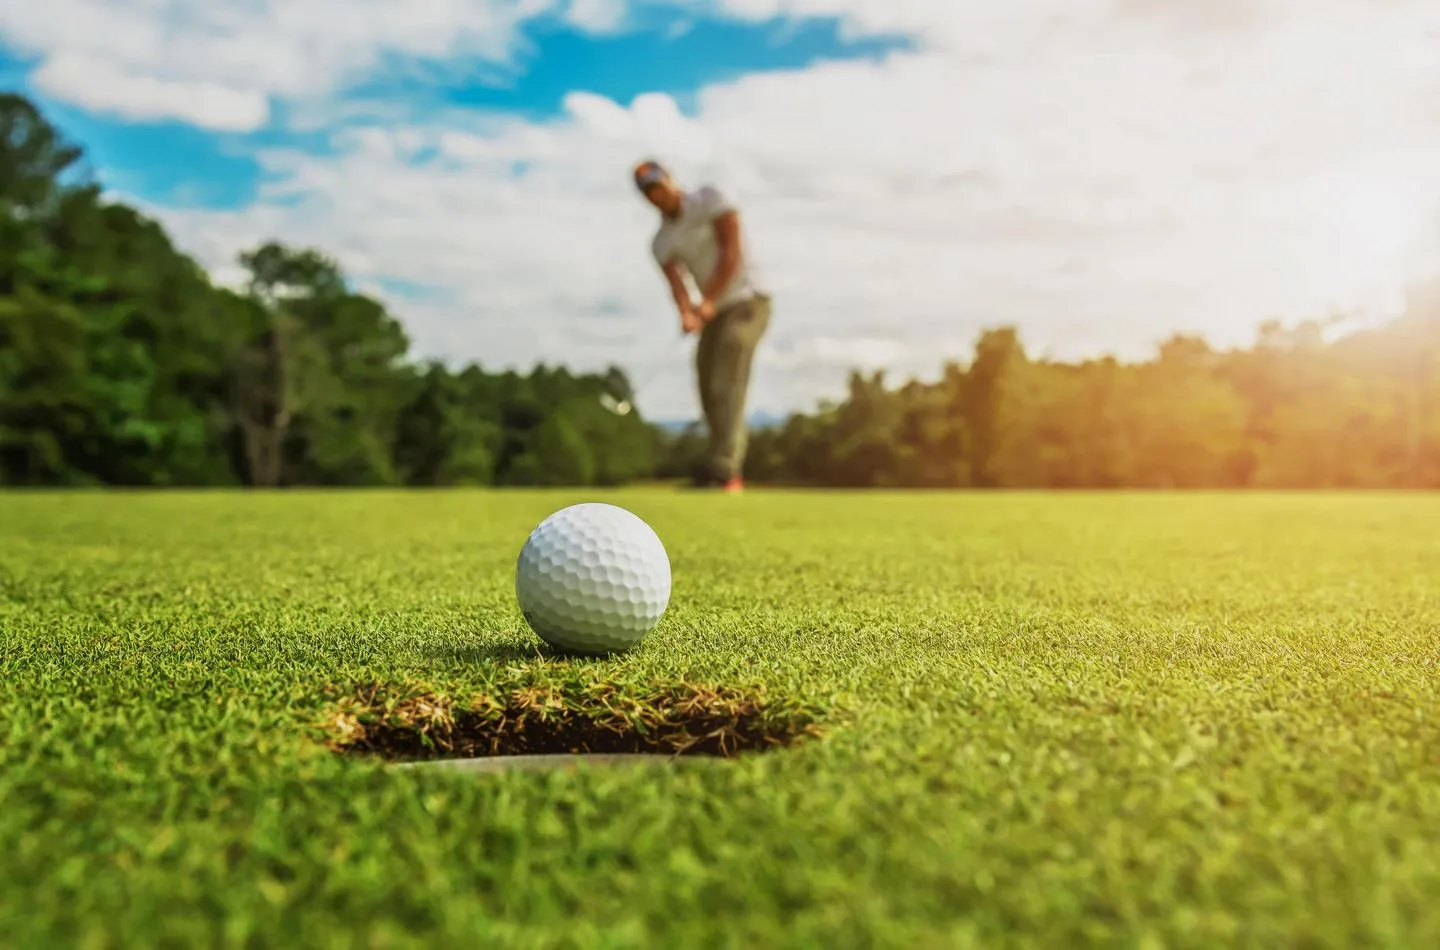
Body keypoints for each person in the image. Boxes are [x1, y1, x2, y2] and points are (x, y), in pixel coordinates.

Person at [633, 159, 771, 494]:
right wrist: (686, 312)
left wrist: (707, 300)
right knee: (706, 384)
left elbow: (731, 251)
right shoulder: (661, 242)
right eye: (649, 191)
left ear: (670, 178)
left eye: (658, 185)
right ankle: (715, 465)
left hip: (747, 301)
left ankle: (726, 471)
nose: (657, 194)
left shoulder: (711, 199)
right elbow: (677, 285)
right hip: (714, 312)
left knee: (727, 377)